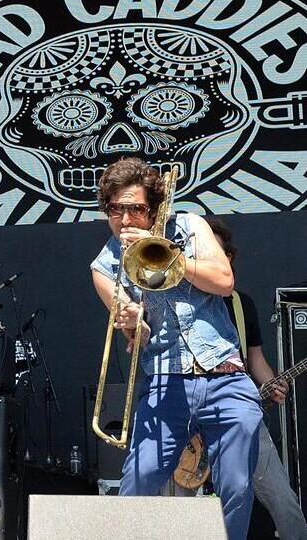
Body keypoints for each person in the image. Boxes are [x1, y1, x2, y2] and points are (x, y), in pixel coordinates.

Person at [90, 157, 261, 540]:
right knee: (138, 481)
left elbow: (224, 282)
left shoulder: (190, 226)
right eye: (115, 209)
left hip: (225, 377)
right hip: (166, 382)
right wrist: (133, 322)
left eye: (136, 208)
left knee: (235, 486)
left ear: (153, 207)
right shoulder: (104, 265)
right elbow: (138, 335)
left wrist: (170, 255)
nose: (126, 219)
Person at [206, 218, 307, 540]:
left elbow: (255, 359)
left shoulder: (240, 303)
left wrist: (273, 383)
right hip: (191, 419)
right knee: (187, 505)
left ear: (228, 257)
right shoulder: (177, 302)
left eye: (212, 249)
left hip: (241, 414)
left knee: (283, 500)